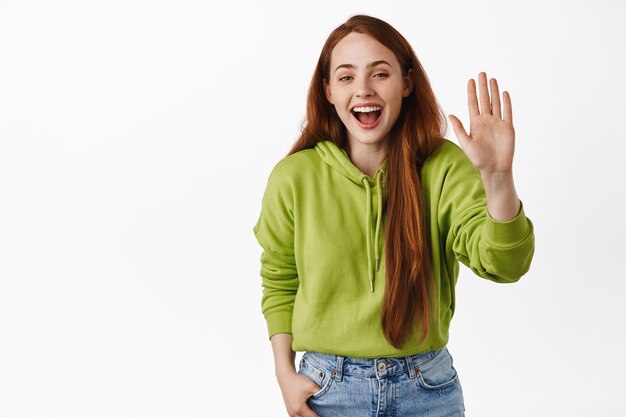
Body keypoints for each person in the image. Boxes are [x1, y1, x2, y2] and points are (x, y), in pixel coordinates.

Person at [252, 14, 535, 417]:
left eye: (379, 73)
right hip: (327, 389)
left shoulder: (442, 166)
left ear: (406, 82)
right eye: (346, 77)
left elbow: (505, 265)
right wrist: (284, 373)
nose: (363, 89)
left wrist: (498, 178)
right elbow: (279, 278)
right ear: (328, 90)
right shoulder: (294, 177)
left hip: (427, 387)